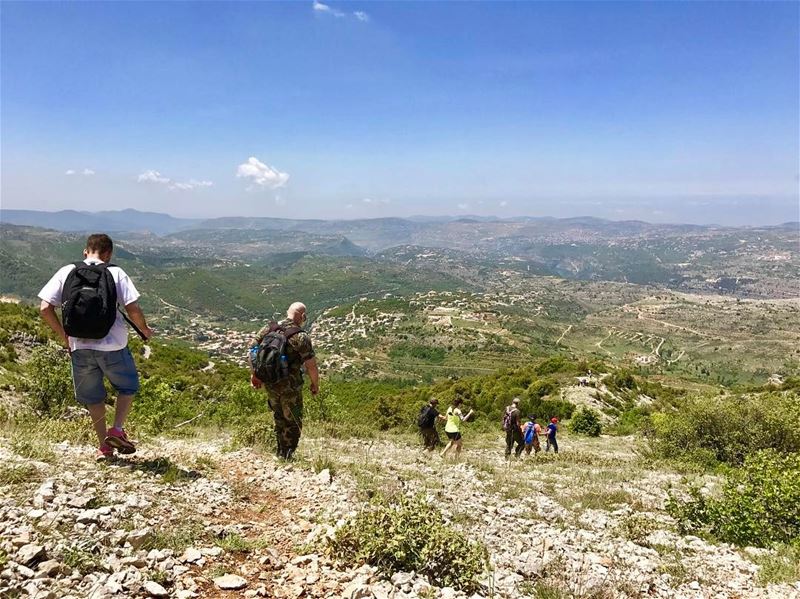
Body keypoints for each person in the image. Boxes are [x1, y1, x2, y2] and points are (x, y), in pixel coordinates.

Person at [38, 233, 153, 460]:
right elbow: (133, 309)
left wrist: (65, 336)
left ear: (85, 251)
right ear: (109, 254)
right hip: (113, 346)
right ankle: (117, 429)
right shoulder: (115, 272)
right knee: (128, 387)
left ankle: (105, 448)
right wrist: (145, 330)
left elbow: (44, 308)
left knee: (93, 398)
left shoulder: (67, 271)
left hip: (79, 346)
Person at [249, 302, 319, 460]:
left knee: (278, 417)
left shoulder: (269, 328)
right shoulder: (300, 336)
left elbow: (252, 350)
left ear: (288, 312)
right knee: (293, 419)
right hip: (290, 386)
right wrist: (315, 384)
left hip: (271, 384)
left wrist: (255, 374)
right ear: (302, 316)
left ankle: (281, 451)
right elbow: (311, 366)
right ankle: (287, 454)